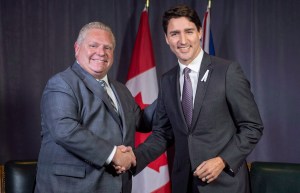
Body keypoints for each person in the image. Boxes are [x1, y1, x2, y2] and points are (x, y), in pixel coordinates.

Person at [132, 4, 264, 193]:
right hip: (184, 183)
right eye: (175, 33)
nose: (182, 40)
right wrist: (133, 159)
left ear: (200, 32)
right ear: (166, 39)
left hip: (224, 184)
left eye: (189, 31)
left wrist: (222, 160)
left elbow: (253, 127)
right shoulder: (167, 80)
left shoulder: (227, 71)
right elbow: (162, 133)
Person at [34, 21, 154, 193]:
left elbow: (142, 121)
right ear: (77, 48)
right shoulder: (61, 83)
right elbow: (65, 130)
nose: (101, 52)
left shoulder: (120, 89)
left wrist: (172, 92)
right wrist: (114, 155)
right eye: (93, 45)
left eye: (108, 48)